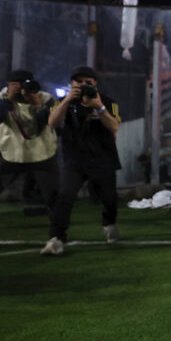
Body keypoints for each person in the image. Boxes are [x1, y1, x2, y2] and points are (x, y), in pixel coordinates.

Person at [0, 70, 60, 251]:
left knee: (54, 198)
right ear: (8, 85)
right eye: (15, 85)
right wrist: (8, 100)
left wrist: (37, 105)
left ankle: (57, 236)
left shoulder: (46, 98)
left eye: (24, 85)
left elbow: (43, 125)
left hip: (42, 153)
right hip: (11, 153)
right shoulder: (0, 97)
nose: (21, 89)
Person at [43, 66, 121, 256]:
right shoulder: (63, 102)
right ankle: (56, 238)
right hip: (75, 160)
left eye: (87, 82)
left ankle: (108, 222)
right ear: (72, 84)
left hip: (103, 158)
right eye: (78, 82)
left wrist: (99, 107)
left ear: (95, 84)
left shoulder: (108, 102)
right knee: (65, 197)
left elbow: (114, 127)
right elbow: (52, 123)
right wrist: (68, 100)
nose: (82, 85)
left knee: (110, 199)